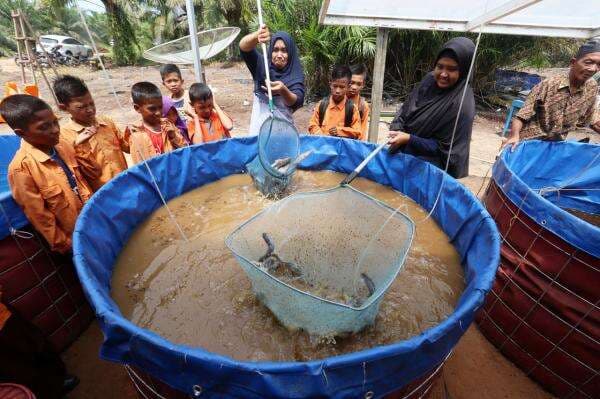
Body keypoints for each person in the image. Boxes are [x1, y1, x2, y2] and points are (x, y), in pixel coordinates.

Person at [1, 95, 96, 253]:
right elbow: (39, 216)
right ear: (20, 133)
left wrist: (83, 148)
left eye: (55, 122)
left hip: (95, 219)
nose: (55, 130)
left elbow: (86, 177)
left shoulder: (63, 145)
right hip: (75, 239)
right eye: (44, 127)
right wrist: (66, 244)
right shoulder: (21, 169)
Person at [388, 37, 476, 179]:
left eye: (452, 69)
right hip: (405, 151)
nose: (443, 74)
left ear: (464, 71)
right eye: (440, 66)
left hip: (431, 170)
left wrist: (410, 139)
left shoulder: (462, 106)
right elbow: (407, 107)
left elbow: (445, 151)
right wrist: (397, 127)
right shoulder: (429, 80)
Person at [503, 39, 600, 150]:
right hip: (529, 143)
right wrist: (514, 136)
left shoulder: (592, 88)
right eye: (588, 62)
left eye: (599, 65)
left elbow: (591, 119)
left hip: (555, 147)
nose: (593, 69)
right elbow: (521, 116)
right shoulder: (549, 84)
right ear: (573, 62)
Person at [0, 284, 79, 399]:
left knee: (38, 345)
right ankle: (50, 392)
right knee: (18, 369)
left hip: (4, 313)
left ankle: (58, 382)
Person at [54, 74, 130, 191]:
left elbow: (127, 147)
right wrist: (79, 146)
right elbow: (81, 173)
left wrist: (134, 134)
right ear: (64, 108)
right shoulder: (64, 137)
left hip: (126, 183)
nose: (90, 110)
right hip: (101, 194)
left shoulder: (106, 122)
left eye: (91, 103)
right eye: (81, 107)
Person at [239, 26, 305, 134]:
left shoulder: (295, 74)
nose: (279, 55)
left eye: (284, 51)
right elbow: (243, 48)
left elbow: (296, 101)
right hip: (260, 130)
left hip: (284, 131)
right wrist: (257, 36)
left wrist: (283, 90)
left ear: (291, 53)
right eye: (275, 50)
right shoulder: (261, 65)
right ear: (270, 51)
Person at [126, 82, 187, 164]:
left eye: (160, 107)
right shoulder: (136, 133)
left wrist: (174, 136)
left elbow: (185, 149)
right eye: (152, 109)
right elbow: (139, 164)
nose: (158, 112)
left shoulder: (168, 125)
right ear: (137, 108)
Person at [308, 65, 363, 140]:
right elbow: (312, 125)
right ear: (330, 84)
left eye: (342, 87)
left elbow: (358, 132)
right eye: (335, 86)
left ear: (348, 86)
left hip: (342, 150)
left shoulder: (352, 109)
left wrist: (341, 131)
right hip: (322, 147)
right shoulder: (322, 105)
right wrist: (321, 136)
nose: (337, 91)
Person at [348, 63, 371, 138]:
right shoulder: (336, 100)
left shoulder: (363, 106)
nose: (354, 87)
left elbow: (362, 134)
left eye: (358, 84)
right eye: (352, 83)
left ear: (363, 85)